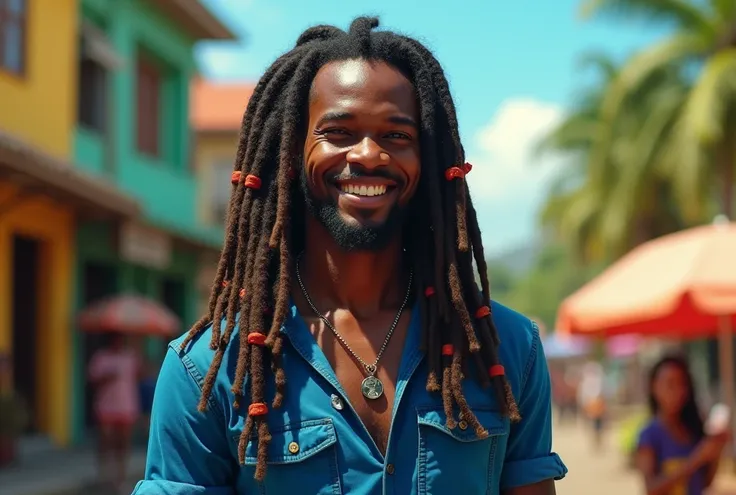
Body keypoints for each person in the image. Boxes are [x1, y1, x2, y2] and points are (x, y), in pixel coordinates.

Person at [133, 17, 567, 495]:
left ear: (428, 161)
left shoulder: (506, 349)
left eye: (397, 136)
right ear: (292, 152)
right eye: (338, 132)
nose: (367, 154)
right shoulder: (207, 368)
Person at [636, 355, 729, 495]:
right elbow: (651, 489)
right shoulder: (649, 435)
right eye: (670, 384)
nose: (677, 392)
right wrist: (696, 459)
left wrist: (716, 451)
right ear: (654, 387)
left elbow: (704, 482)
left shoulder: (693, 428)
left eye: (682, 384)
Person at [88, 333, 141, 493]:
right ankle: (104, 476)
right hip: (106, 407)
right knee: (105, 443)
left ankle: (121, 478)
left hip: (126, 406)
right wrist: (107, 377)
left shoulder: (130, 357)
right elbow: (92, 380)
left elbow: (142, 375)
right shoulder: (101, 357)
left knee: (123, 444)